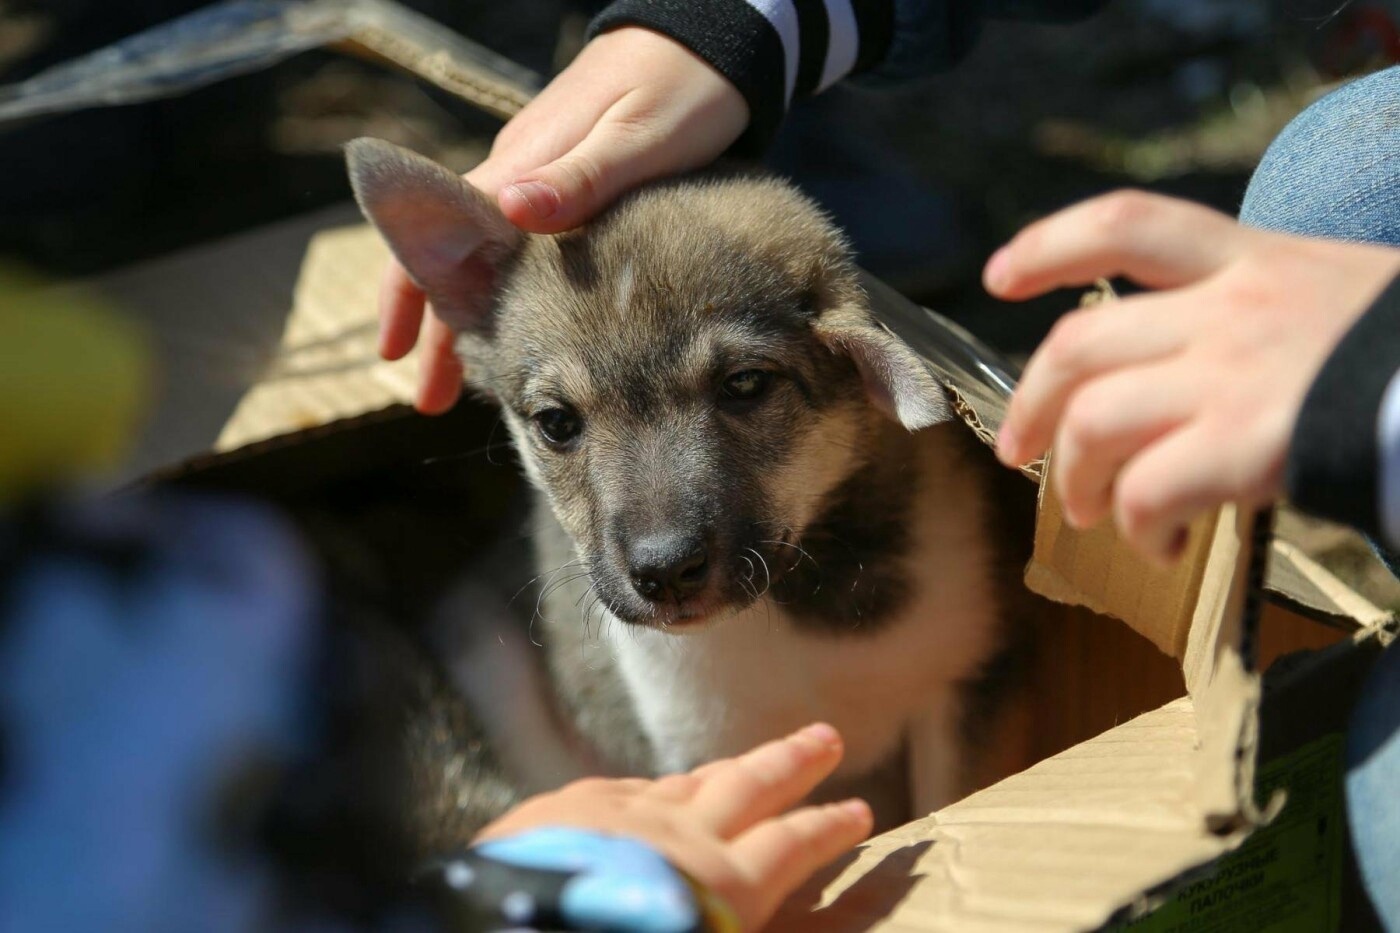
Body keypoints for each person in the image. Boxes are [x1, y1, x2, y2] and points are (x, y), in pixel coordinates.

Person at [372, 2, 1400, 926]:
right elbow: (691, 787)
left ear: (862, 365)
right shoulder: (599, 534)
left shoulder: (921, 519)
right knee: (1342, 177)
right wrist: (735, 21)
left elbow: (974, 686)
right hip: (602, 772)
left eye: (740, 392)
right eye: (560, 423)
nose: (655, 535)